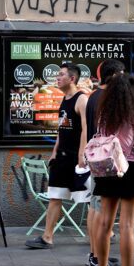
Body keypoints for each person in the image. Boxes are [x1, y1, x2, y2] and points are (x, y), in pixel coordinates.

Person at [93, 74, 134, 266]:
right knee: (127, 226)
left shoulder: (104, 114)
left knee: (105, 223)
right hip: (131, 168)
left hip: (107, 169)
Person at [25, 62, 89, 249]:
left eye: (61, 75)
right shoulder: (64, 99)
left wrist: (81, 154)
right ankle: (47, 237)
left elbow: (86, 129)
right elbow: (62, 128)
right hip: (62, 157)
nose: (57, 78)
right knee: (55, 196)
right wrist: (54, 152)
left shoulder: (81, 99)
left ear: (72, 78)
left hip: (77, 159)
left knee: (89, 199)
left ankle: (104, 235)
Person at [84, 59, 125, 266]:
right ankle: (98, 258)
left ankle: (94, 254)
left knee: (94, 206)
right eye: (122, 74)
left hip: (94, 156)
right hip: (105, 159)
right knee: (100, 208)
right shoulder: (108, 98)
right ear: (115, 74)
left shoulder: (92, 97)